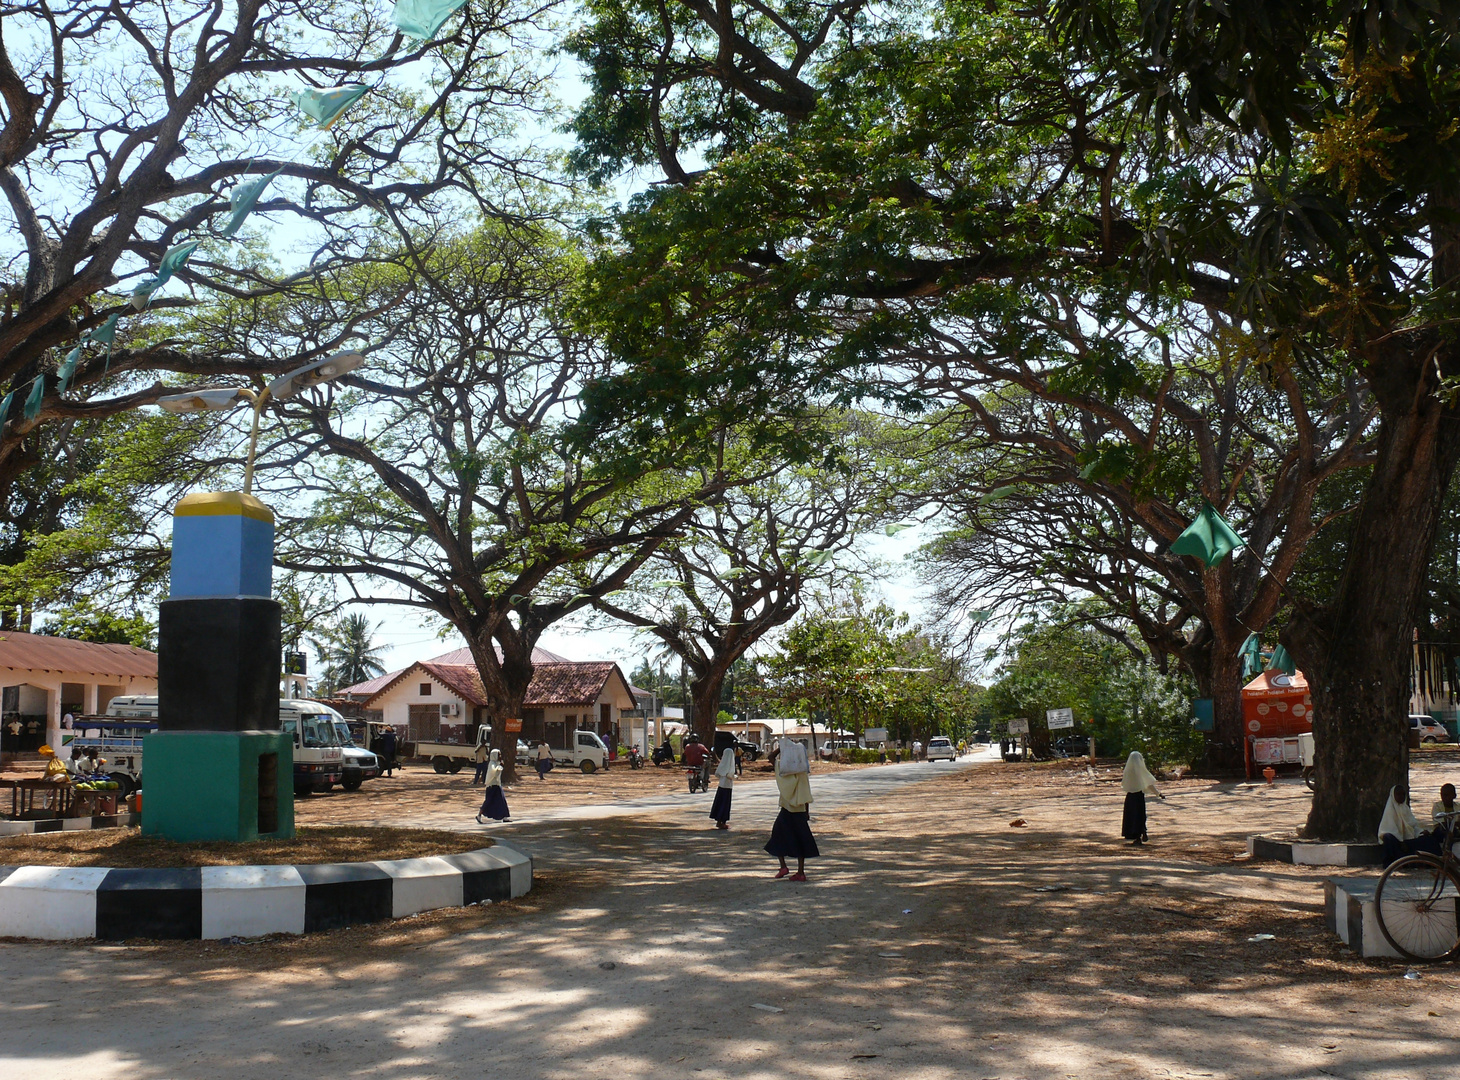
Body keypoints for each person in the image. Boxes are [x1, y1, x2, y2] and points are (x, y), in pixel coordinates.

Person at [765, 738, 818, 880]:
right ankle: (800, 872)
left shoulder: (783, 771)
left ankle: (783, 866)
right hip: (800, 810)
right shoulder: (802, 772)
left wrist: (784, 746)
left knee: (777, 836)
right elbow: (806, 792)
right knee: (801, 840)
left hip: (786, 809)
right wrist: (807, 811)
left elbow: (770, 757)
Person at [1379, 784, 1446, 865]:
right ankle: (1394, 863)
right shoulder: (1390, 810)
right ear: (1393, 795)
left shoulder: (1405, 808)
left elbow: (1412, 826)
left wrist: (1421, 832)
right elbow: (1389, 828)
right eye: (1398, 794)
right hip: (1397, 840)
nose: (1401, 796)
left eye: (1403, 794)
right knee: (1388, 838)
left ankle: (1432, 862)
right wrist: (1400, 841)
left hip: (1408, 839)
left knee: (1429, 840)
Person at [1121, 751, 1164, 845]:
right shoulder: (1141, 771)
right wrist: (1158, 793)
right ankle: (1142, 831)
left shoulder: (1128, 771)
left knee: (1132, 817)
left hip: (1130, 797)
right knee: (1140, 815)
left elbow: (1124, 784)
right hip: (1139, 796)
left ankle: (1136, 836)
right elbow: (1149, 784)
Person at [475, 749, 510, 823]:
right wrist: (500, 767)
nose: (500, 756)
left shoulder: (496, 763)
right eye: (499, 755)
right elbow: (494, 774)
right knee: (488, 801)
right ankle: (479, 815)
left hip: (497, 785)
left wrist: (500, 766)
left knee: (501, 801)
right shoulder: (492, 764)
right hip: (492, 786)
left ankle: (504, 816)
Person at [709, 749, 736, 830]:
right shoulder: (730, 763)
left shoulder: (722, 764)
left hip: (721, 786)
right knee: (725, 804)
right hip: (727, 786)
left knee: (719, 802)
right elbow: (730, 775)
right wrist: (735, 777)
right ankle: (723, 822)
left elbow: (718, 774)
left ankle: (718, 821)